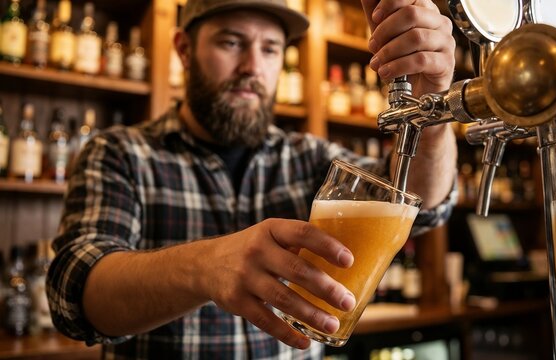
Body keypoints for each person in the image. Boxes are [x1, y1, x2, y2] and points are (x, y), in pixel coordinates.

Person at [46, 0, 458, 358]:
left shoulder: (310, 157)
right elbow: (72, 295)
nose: (252, 67)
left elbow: (418, 206)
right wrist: (204, 267)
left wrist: (432, 112)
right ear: (184, 50)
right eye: (231, 42)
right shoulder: (120, 153)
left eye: (270, 48)